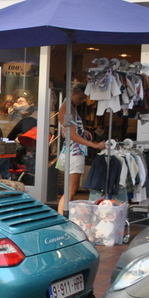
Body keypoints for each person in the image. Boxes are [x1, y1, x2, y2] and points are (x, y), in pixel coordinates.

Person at [56, 81, 106, 214]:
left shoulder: (69, 107)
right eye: (81, 98)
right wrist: (94, 145)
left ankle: (63, 215)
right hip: (74, 152)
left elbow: (69, 131)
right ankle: (62, 216)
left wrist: (83, 131)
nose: (83, 101)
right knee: (71, 190)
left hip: (71, 151)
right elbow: (71, 135)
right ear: (73, 93)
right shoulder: (68, 109)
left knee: (70, 190)